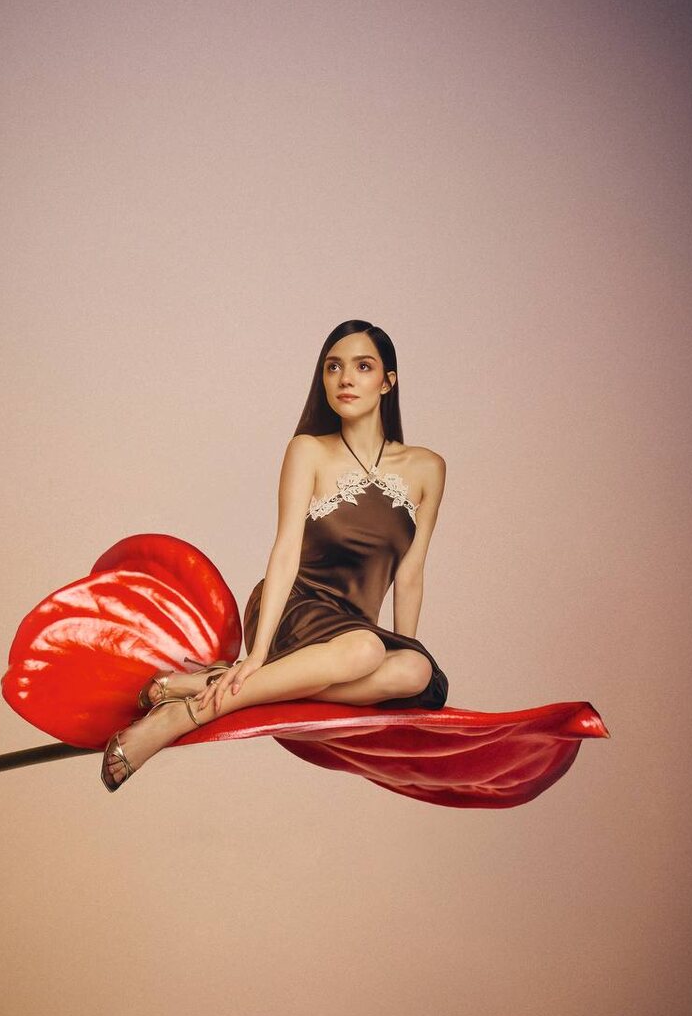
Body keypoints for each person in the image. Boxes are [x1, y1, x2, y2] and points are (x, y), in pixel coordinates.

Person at [101, 319, 449, 791]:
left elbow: (410, 572)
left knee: (415, 671)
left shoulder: (427, 468)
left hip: (351, 636)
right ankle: (185, 714)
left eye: (363, 367)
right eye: (333, 367)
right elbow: (285, 549)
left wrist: (404, 649)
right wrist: (258, 653)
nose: (345, 379)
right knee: (365, 650)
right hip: (293, 609)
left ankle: (211, 683)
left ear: (387, 382)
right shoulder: (308, 450)